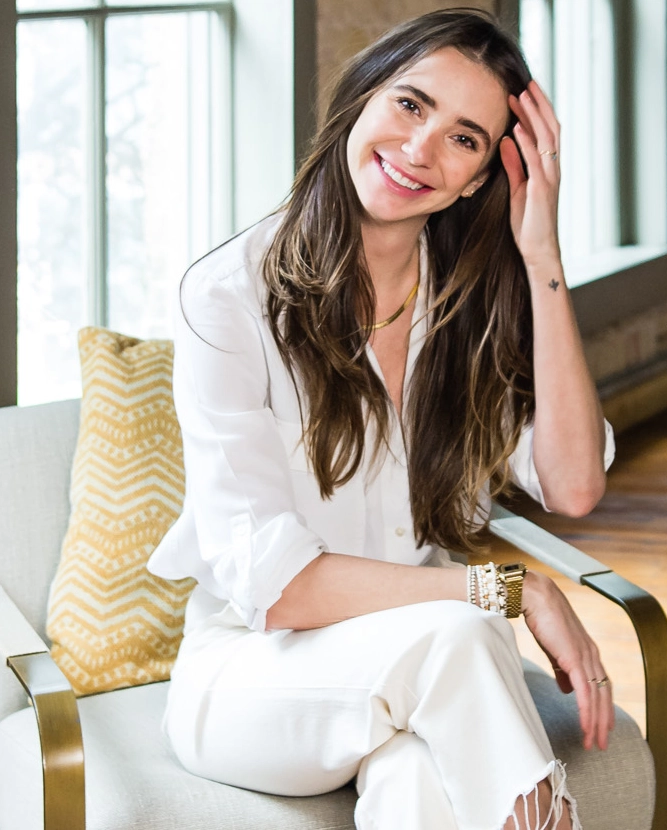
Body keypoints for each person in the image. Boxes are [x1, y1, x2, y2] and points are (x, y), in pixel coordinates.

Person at [149, 8, 616, 829]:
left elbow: (574, 484)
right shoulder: (229, 298)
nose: (421, 149)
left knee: (419, 785)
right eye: (409, 104)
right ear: (362, 98)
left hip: (417, 671)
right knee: (466, 632)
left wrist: (542, 256)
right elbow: (279, 588)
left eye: (465, 138)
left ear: (480, 177)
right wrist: (512, 590)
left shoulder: (466, 302)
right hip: (253, 677)